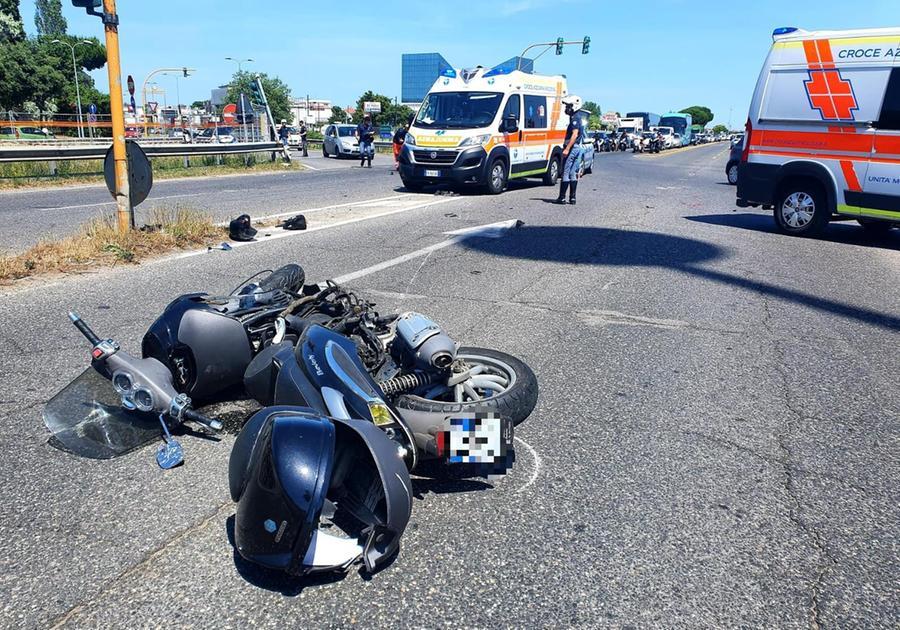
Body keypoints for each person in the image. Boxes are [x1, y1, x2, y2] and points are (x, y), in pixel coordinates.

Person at [555, 95, 584, 205]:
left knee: (566, 172)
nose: (566, 109)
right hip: (577, 148)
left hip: (572, 148)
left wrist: (567, 148)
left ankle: (562, 198)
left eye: (568, 106)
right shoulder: (577, 117)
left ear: (575, 106)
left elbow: (574, 134)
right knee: (572, 173)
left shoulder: (575, 118)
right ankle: (572, 198)